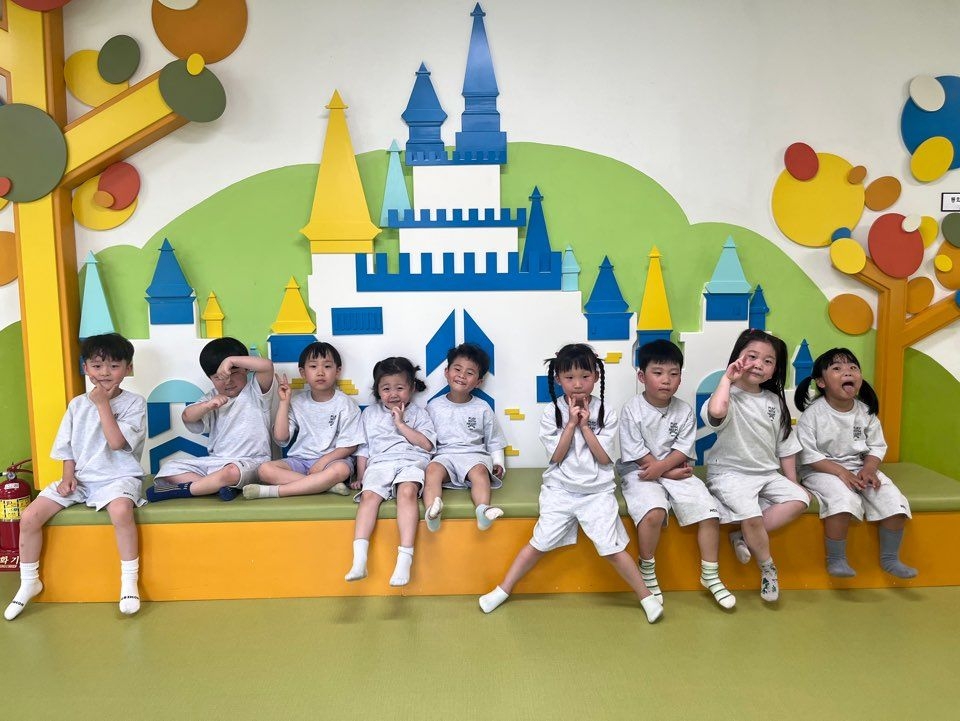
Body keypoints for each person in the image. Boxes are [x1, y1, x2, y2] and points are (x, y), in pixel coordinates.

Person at [479, 343, 663, 623]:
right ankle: (503, 589)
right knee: (539, 543)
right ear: (558, 379)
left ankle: (646, 597)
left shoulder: (606, 411)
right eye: (570, 377)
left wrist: (586, 426)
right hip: (560, 490)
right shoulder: (551, 412)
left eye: (585, 376)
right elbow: (556, 457)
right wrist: (570, 424)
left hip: (597, 492)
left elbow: (604, 458)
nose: (578, 384)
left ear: (596, 377)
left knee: (612, 548)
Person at [5, 333, 146, 620]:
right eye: (97, 365)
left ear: (128, 368)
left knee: (121, 511)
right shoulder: (77, 405)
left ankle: (129, 581)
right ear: (85, 367)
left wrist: (102, 404)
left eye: (114, 366)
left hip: (119, 477)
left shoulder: (135, 403)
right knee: (30, 516)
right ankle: (29, 581)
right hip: (82, 479)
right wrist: (67, 475)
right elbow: (67, 446)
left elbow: (117, 443)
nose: (104, 373)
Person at [619, 340, 735, 609]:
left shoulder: (683, 410)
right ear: (642, 376)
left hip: (676, 470)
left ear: (681, 378)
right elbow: (637, 452)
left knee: (709, 512)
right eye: (658, 373)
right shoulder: (632, 409)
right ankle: (647, 568)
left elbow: (683, 448)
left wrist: (666, 471)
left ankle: (710, 574)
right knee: (653, 512)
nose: (666, 380)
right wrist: (665, 472)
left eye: (674, 374)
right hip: (641, 470)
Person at [702, 329, 809, 603]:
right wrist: (727, 379)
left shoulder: (774, 402)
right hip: (729, 473)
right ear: (737, 359)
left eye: (768, 361)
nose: (758, 364)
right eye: (751, 356)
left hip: (766, 473)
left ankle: (741, 535)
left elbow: (785, 447)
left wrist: (793, 481)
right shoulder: (725, 394)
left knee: (800, 499)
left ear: (774, 371)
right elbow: (716, 412)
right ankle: (768, 568)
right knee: (751, 516)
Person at [795, 348, 916, 578]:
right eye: (837, 368)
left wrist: (869, 469)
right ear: (821, 382)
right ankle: (836, 559)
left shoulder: (865, 412)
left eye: (853, 368)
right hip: (821, 469)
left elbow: (877, 446)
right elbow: (808, 455)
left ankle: (890, 559)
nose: (848, 372)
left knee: (894, 501)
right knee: (842, 501)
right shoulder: (813, 414)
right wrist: (841, 473)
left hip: (860, 467)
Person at [147, 337, 275, 502]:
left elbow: (267, 366)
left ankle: (188, 489)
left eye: (234, 373)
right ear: (210, 378)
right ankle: (217, 486)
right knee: (169, 467)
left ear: (246, 370)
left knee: (232, 472)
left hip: (250, 462)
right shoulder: (211, 398)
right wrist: (207, 406)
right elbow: (187, 416)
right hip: (216, 462)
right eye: (218, 377)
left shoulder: (256, 391)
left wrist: (230, 360)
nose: (228, 381)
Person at [345, 357, 436, 587]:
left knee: (407, 492)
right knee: (369, 496)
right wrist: (361, 476)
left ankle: (405, 558)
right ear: (377, 390)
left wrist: (401, 425)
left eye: (399, 388)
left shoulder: (420, 414)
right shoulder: (369, 414)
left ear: (411, 388)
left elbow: (427, 445)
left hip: (411, 461)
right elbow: (364, 449)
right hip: (380, 464)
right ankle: (359, 560)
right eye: (386, 388)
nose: (393, 394)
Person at [244, 342, 362, 499]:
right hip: (300, 461)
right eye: (313, 366)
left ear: (337, 371)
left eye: (327, 366)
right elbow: (280, 437)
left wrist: (322, 462)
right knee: (264, 470)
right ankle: (326, 486)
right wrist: (284, 402)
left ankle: (275, 492)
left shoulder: (346, 404)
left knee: (341, 470)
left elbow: (349, 446)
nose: (320, 372)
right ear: (303, 373)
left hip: (331, 462)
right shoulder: (297, 402)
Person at [424, 343, 508, 532]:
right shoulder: (433, 406)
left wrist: (498, 462)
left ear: (478, 382)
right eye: (457, 369)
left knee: (480, 472)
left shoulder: (482, 407)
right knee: (432, 470)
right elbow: (426, 440)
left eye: (470, 373)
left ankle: (483, 510)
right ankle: (432, 512)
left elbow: (494, 439)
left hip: (474, 456)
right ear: (447, 372)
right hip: (444, 457)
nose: (462, 375)